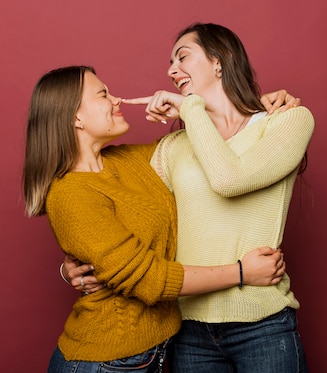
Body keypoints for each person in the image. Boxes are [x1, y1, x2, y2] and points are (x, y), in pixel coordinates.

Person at [66, 22, 314, 372]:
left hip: (264, 324)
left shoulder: (287, 122)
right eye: (170, 63)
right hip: (188, 330)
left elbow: (230, 178)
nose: (171, 71)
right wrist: (72, 266)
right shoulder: (175, 147)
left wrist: (191, 109)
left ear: (220, 60)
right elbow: (106, 193)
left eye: (182, 57)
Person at [23, 66, 294, 373]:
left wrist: (258, 109)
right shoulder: (70, 193)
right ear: (76, 117)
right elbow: (151, 280)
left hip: (149, 356)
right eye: (103, 94)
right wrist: (243, 272)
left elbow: (210, 141)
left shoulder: (128, 160)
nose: (117, 100)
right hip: (101, 363)